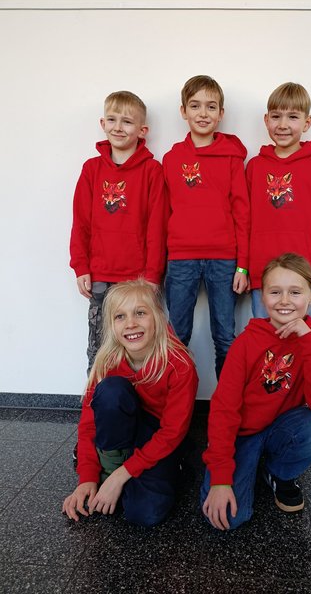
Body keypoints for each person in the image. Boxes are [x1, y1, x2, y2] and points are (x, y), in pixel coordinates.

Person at [201, 253, 311, 530]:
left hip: (281, 428)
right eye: (275, 292)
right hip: (243, 434)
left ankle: (278, 472)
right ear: (263, 296)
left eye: (295, 292)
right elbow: (223, 409)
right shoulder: (245, 344)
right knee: (228, 518)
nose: (285, 301)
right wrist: (220, 478)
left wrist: (307, 340)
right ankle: (245, 463)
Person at [62, 279, 198, 527]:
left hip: (158, 436)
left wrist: (122, 476)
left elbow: (172, 432)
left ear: (157, 317)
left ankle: (142, 470)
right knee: (111, 391)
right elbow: (89, 424)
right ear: (111, 325)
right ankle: (109, 465)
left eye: (140, 313)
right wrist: (87, 477)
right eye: (120, 316)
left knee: (144, 514)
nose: (131, 323)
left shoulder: (180, 364)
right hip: (122, 429)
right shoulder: (106, 362)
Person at [70, 91, 168, 373]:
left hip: (138, 279)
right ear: (103, 123)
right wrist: (81, 266)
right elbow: (81, 222)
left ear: (142, 130)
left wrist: (152, 276)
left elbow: (157, 227)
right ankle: (96, 399)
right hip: (100, 275)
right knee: (99, 347)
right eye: (112, 120)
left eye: (127, 121)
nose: (118, 127)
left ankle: (138, 401)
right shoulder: (91, 169)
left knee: (140, 348)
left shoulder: (152, 171)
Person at [163, 75, 250, 379]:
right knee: (176, 336)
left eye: (211, 107)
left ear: (221, 113)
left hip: (224, 259)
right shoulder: (171, 159)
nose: (203, 113)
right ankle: (174, 402)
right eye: (195, 106)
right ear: (183, 111)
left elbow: (242, 213)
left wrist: (243, 266)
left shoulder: (232, 158)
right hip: (181, 258)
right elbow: (163, 213)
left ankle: (226, 404)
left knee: (225, 336)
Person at [246, 82, 311, 318]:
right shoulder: (255, 167)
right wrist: (246, 269)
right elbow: (244, 222)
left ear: (307, 123)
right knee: (263, 339)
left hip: (303, 279)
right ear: (266, 120)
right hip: (263, 279)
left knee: (301, 339)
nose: (283, 125)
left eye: (292, 117)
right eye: (276, 116)